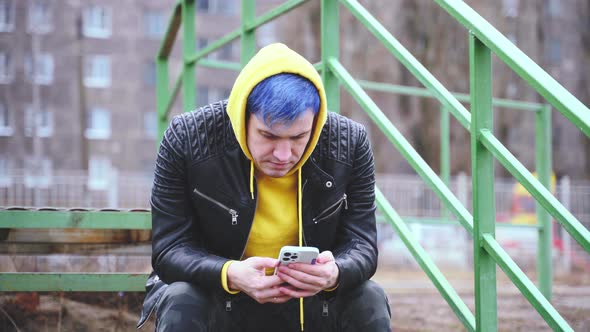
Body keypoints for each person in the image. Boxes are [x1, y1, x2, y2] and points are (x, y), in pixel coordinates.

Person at [137, 43, 391, 331]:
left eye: (299, 137)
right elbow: (169, 248)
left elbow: (363, 245)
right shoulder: (186, 138)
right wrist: (230, 273)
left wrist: (335, 273)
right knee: (181, 297)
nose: (284, 155)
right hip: (218, 297)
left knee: (369, 297)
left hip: (312, 302)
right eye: (268, 136)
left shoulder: (349, 143)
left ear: (316, 122)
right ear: (242, 116)